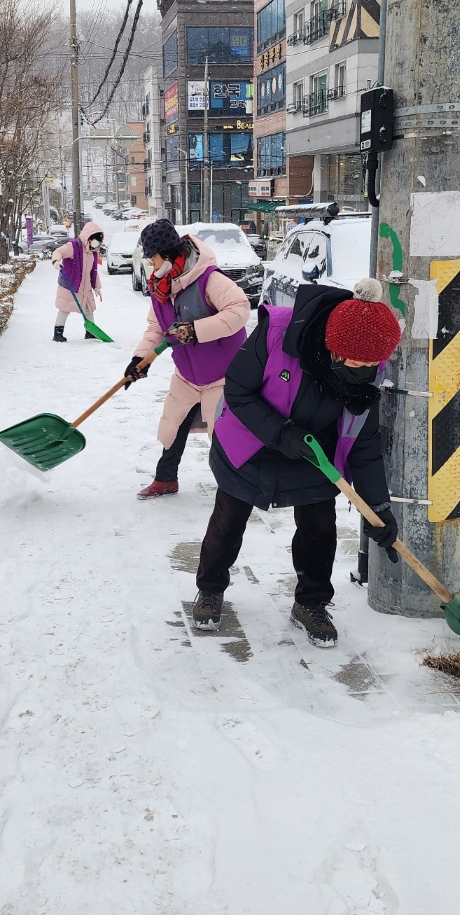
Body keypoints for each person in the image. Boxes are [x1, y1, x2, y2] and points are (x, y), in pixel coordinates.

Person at [191, 278, 403, 648]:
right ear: (332, 349)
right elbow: (238, 390)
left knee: (319, 529)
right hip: (251, 440)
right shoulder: (276, 333)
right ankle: (210, 588)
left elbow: (365, 444)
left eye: (372, 365)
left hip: (315, 451)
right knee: (228, 520)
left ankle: (311, 603)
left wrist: (379, 509)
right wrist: (280, 433)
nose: (365, 371)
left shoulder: (369, 367)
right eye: (357, 363)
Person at [125, 218, 250, 500]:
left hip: (223, 374)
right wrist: (139, 359)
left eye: (152, 257)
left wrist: (195, 330)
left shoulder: (209, 278)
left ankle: (236, 488)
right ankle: (166, 479)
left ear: (166, 253)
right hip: (187, 374)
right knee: (174, 423)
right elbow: (156, 328)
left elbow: (239, 310)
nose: (150, 263)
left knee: (225, 435)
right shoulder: (161, 287)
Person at [51, 221, 105, 342]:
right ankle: (58, 334)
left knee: (88, 309)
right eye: (95, 241)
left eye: (98, 242)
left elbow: (93, 271)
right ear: (88, 237)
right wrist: (56, 261)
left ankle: (90, 332)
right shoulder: (73, 246)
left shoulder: (93, 252)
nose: (96, 244)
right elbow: (59, 252)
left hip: (85, 287)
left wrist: (97, 287)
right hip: (71, 285)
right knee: (65, 308)